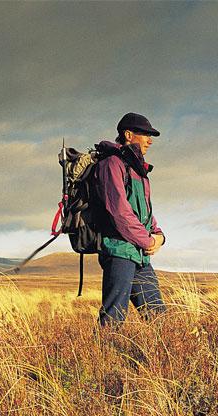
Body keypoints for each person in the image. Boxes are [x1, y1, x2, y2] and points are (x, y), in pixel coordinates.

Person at [94, 112, 167, 326]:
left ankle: (162, 358)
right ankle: (103, 357)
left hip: (139, 254)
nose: (150, 140)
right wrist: (148, 241)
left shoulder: (137, 170)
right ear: (128, 134)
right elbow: (119, 212)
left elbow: (145, 213)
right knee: (114, 318)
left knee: (158, 317)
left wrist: (160, 236)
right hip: (118, 251)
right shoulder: (111, 164)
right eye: (145, 134)